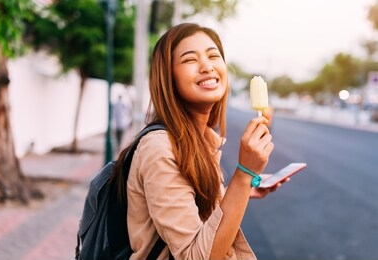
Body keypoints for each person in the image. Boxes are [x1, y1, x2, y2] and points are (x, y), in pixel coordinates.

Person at [112, 23, 286, 259]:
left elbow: (190, 204)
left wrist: (243, 187)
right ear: (169, 79)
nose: (207, 66)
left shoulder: (200, 140)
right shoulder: (159, 147)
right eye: (189, 60)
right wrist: (245, 174)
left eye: (214, 56)